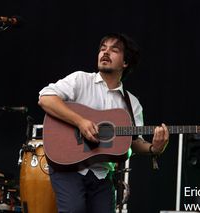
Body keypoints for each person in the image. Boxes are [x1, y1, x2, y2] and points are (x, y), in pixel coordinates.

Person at [38, 33, 169, 213]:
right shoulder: (80, 80)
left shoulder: (132, 105)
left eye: (114, 50)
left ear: (125, 63)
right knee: (74, 209)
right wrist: (80, 122)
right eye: (102, 48)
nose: (105, 53)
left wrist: (154, 149)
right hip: (68, 167)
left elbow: (133, 142)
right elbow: (45, 99)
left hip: (102, 174)